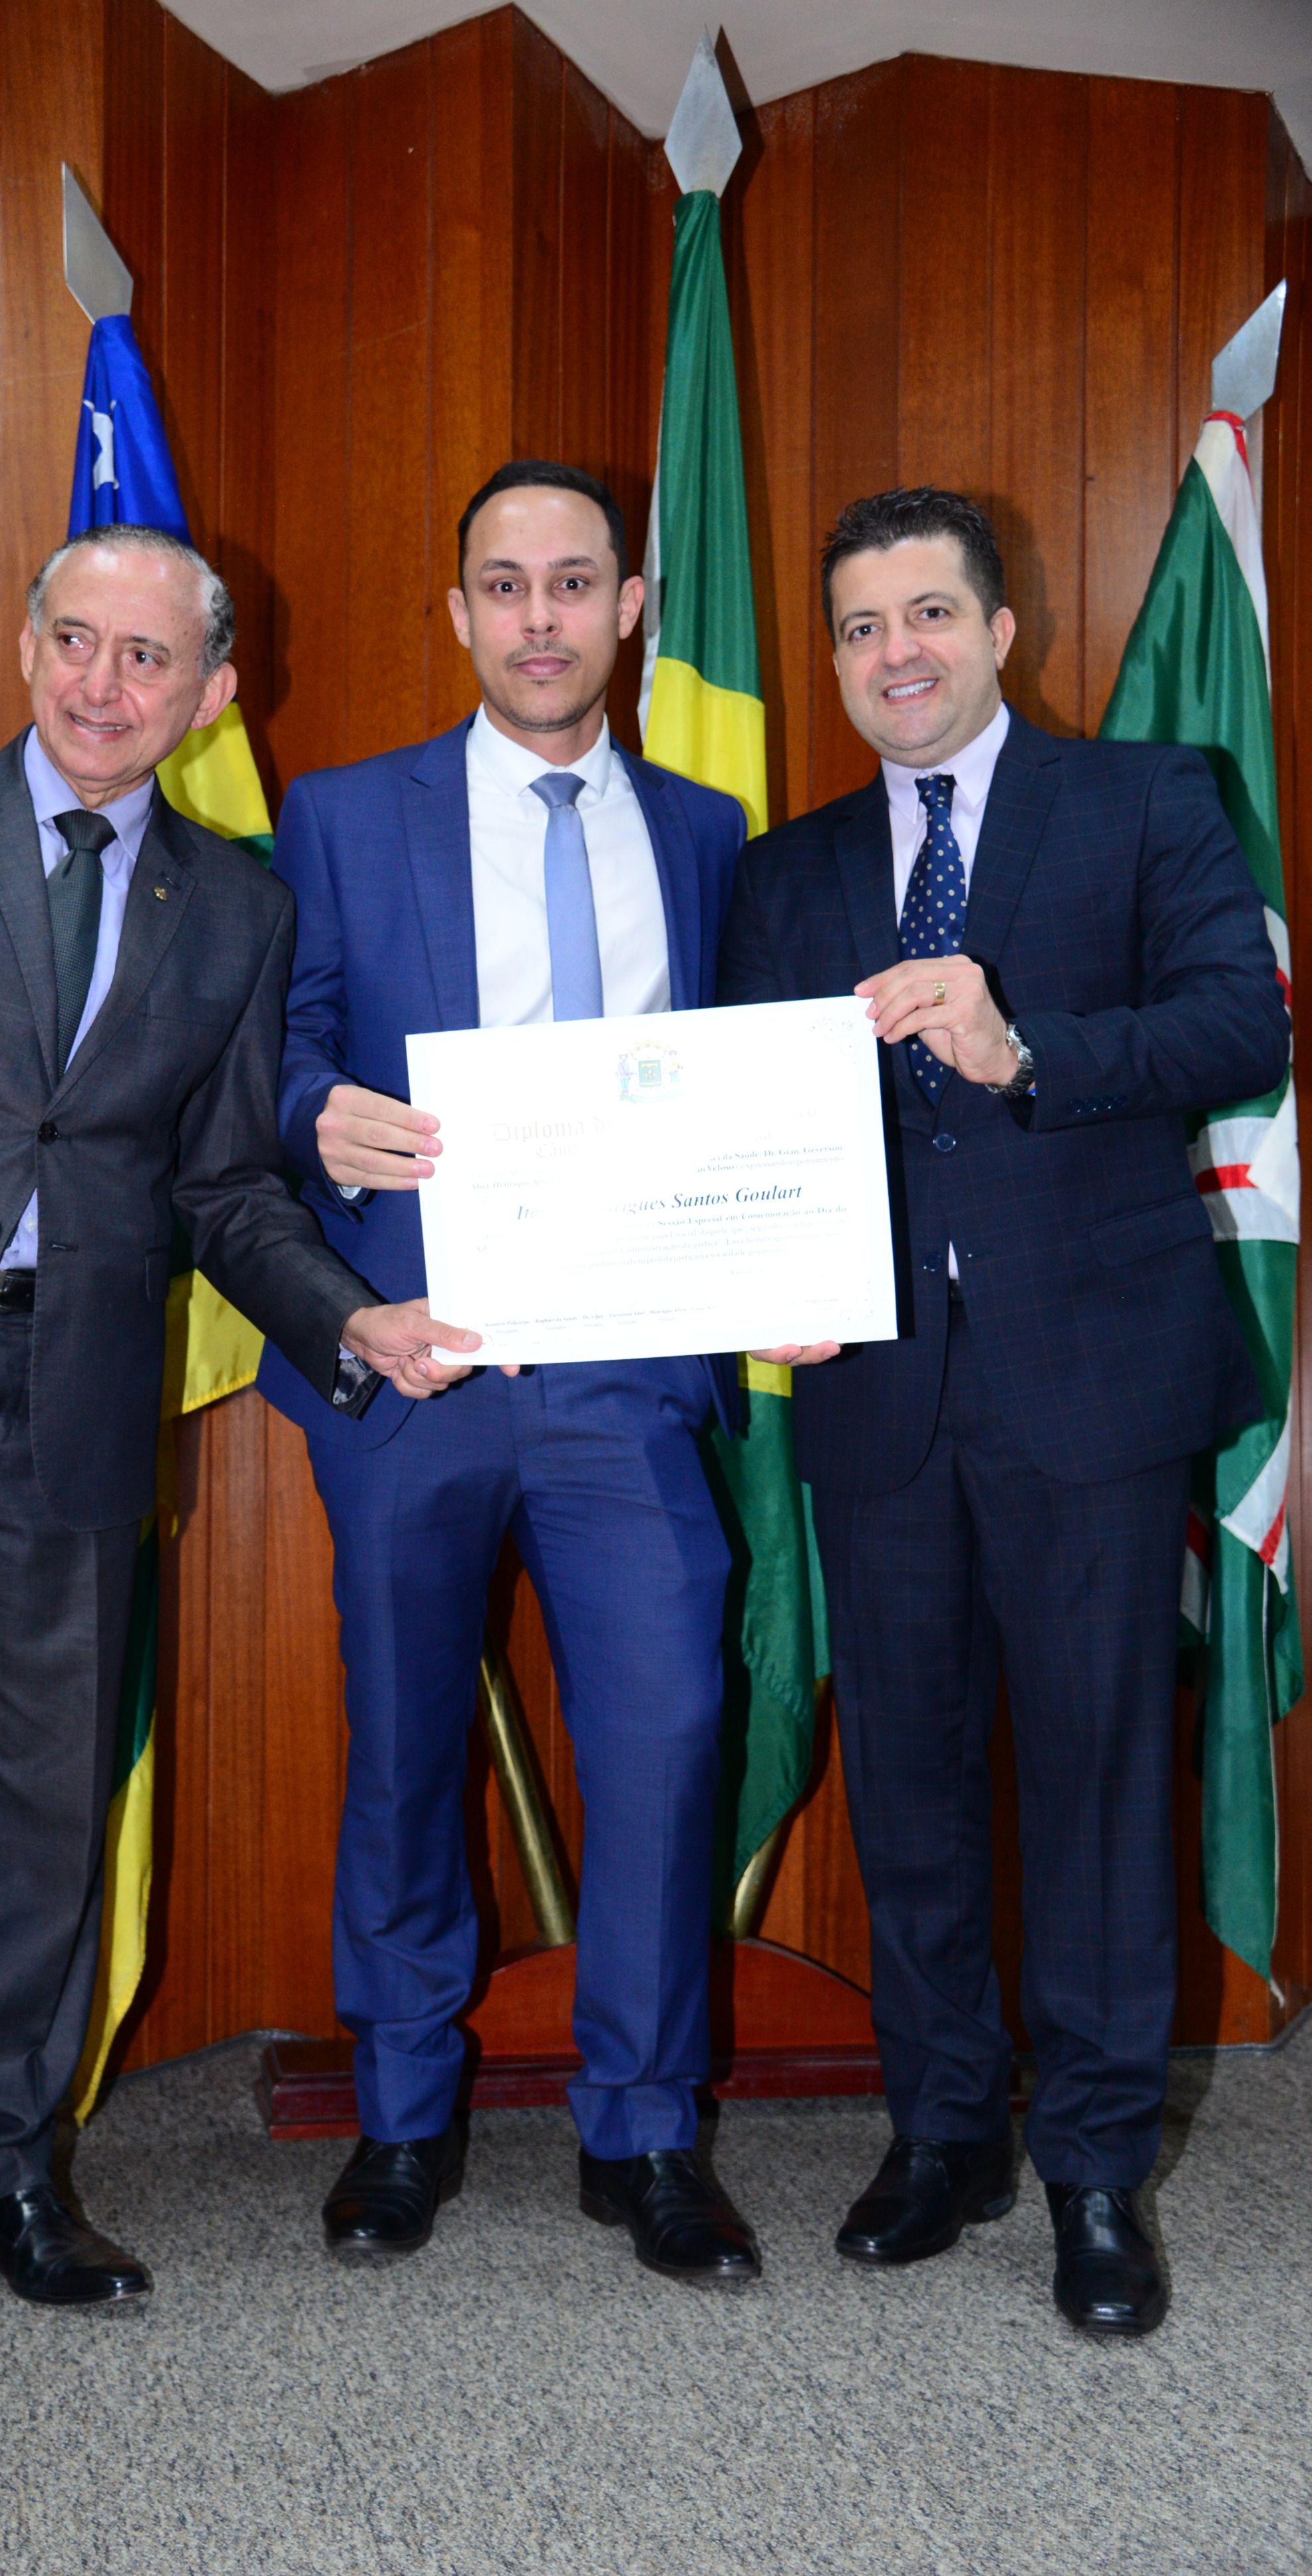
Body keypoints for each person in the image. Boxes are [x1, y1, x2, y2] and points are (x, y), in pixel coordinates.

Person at [0, 524, 474, 2392]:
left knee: (46, 1817)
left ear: (212, 695)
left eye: (147, 659)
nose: (102, 684)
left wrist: (350, 1321)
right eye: (76, 640)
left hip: (79, 1402)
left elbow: (224, 1187)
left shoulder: (239, 907)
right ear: (26, 641)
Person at [719, 486, 1289, 2336]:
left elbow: (1242, 1027)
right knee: (910, 1784)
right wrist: (752, 1274)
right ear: (835, 660)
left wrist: (1025, 1046)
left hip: (1094, 1382)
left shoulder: (1149, 801)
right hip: (877, 1395)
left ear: (1000, 629)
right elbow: (746, 1120)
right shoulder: (785, 871)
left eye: (929, 615)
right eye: (861, 627)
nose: (897, 653)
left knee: (1101, 1778)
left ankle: (1098, 2168)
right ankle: (945, 2128)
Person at [257, 460, 758, 2285]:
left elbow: (742, 1085)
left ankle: (644, 2128)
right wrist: (316, 1113)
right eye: (503, 584)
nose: (539, 618)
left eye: (572, 583)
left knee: (666, 1741)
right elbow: (274, 1048)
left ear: (629, 608)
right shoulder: (339, 815)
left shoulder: (710, 830)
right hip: (416, 1361)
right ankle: (403, 2113)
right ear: (458, 610)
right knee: (404, 1747)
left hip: (629, 1375)